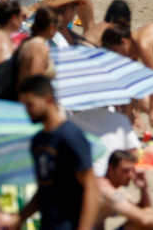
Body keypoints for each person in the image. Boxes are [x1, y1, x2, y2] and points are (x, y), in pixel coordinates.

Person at [9, 75, 99, 230]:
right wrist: (19, 218)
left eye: (30, 105)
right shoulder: (38, 140)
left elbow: (91, 187)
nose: (27, 111)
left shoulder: (69, 136)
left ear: (48, 99)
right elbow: (45, 189)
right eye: (23, 106)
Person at [95, 150, 153, 230]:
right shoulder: (105, 189)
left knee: (148, 217)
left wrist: (144, 189)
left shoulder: (116, 190)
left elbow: (145, 211)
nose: (131, 176)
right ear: (111, 169)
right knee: (148, 222)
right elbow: (144, 220)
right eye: (126, 171)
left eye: (132, 171)